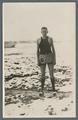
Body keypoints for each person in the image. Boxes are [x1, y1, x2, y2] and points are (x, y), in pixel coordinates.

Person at [37, 27, 56, 95]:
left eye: (45, 31)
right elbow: (37, 51)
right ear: (41, 32)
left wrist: (54, 60)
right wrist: (38, 60)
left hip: (49, 56)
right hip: (42, 57)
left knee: (51, 74)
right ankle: (42, 90)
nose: (44, 33)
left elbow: (53, 50)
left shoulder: (50, 39)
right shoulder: (38, 40)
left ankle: (54, 89)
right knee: (42, 75)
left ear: (47, 32)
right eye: (42, 31)